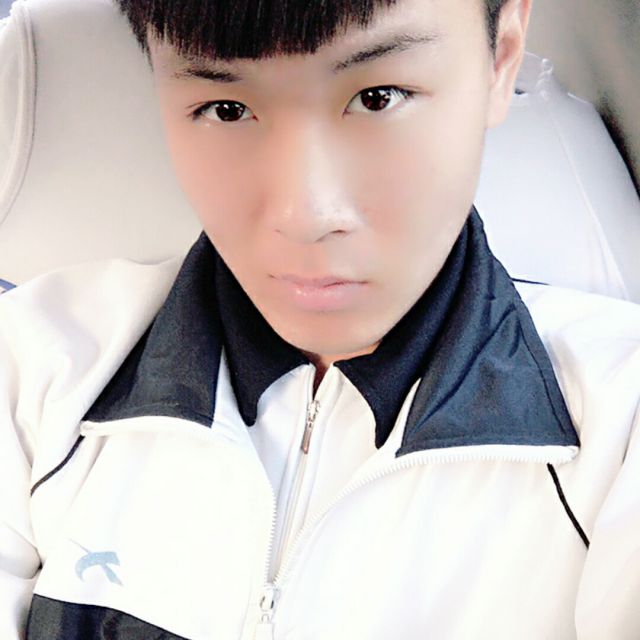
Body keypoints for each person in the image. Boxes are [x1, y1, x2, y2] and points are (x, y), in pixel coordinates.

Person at [1, 0, 639, 638]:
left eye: (378, 98)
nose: (306, 215)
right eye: (226, 109)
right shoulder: (31, 367)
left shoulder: (620, 428)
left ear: (501, 54)